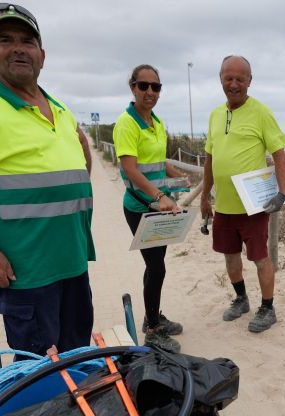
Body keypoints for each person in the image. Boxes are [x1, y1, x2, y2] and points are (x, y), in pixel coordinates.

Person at [0, 3, 96, 358]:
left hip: (73, 264)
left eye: (27, 40)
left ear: (42, 54)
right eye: (5, 39)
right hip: (27, 275)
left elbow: (79, 166)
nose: (18, 48)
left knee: (76, 358)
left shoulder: (59, 108)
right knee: (39, 370)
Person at [200, 55, 285, 333]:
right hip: (224, 206)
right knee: (230, 257)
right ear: (221, 80)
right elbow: (210, 159)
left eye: (240, 78)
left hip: (253, 206)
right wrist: (205, 197)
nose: (234, 84)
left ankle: (268, 307)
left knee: (260, 258)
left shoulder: (261, 112)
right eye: (229, 78)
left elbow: (280, 155)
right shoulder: (215, 114)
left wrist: (282, 193)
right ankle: (241, 299)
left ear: (250, 81)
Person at [113, 64, 186, 352]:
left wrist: (175, 174)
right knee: (156, 266)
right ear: (132, 87)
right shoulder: (127, 123)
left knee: (157, 266)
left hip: (161, 204)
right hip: (141, 205)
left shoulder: (156, 122)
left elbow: (155, 162)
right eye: (143, 86)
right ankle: (153, 329)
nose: (150, 92)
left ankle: (152, 317)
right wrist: (158, 195)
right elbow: (130, 170)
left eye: (156, 87)